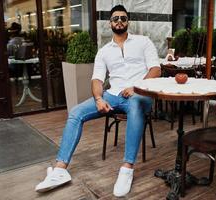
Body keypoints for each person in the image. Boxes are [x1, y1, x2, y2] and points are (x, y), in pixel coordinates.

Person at [35, 5, 161, 197]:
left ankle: (127, 168)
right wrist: (99, 98)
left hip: (140, 93)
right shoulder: (104, 51)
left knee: (135, 105)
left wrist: (136, 88)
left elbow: (155, 70)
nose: (119, 21)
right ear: (110, 23)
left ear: (128, 22)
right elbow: (97, 79)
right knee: (76, 112)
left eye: (123, 18)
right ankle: (60, 169)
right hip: (113, 95)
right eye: (115, 18)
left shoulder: (143, 42)